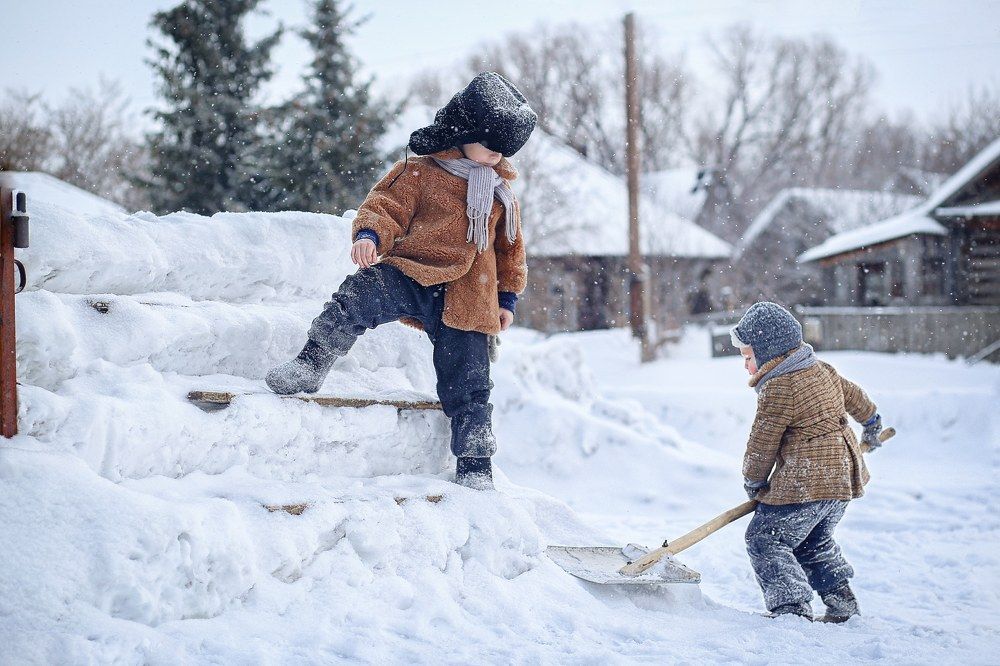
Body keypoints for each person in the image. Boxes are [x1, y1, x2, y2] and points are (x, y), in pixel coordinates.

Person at [264, 72, 536, 490]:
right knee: (357, 296)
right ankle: (311, 362)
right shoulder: (419, 172)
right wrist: (370, 236)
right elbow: (385, 206)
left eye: (504, 152)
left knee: (471, 380)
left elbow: (509, 250)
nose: (496, 157)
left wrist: (506, 298)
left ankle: (476, 463)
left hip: (471, 296)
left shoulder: (501, 193)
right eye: (490, 146)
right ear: (463, 133)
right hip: (413, 272)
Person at [731, 302, 884, 622]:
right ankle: (841, 601)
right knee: (813, 541)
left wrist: (754, 481)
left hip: (807, 482)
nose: (745, 366)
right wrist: (871, 422)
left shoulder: (778, 387)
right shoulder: (821, 369)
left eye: (748, 356)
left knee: (764, 539)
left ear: (769, 352)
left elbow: (763, 441)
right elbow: (854, 396)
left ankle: (790, 607)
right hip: (842, 481)